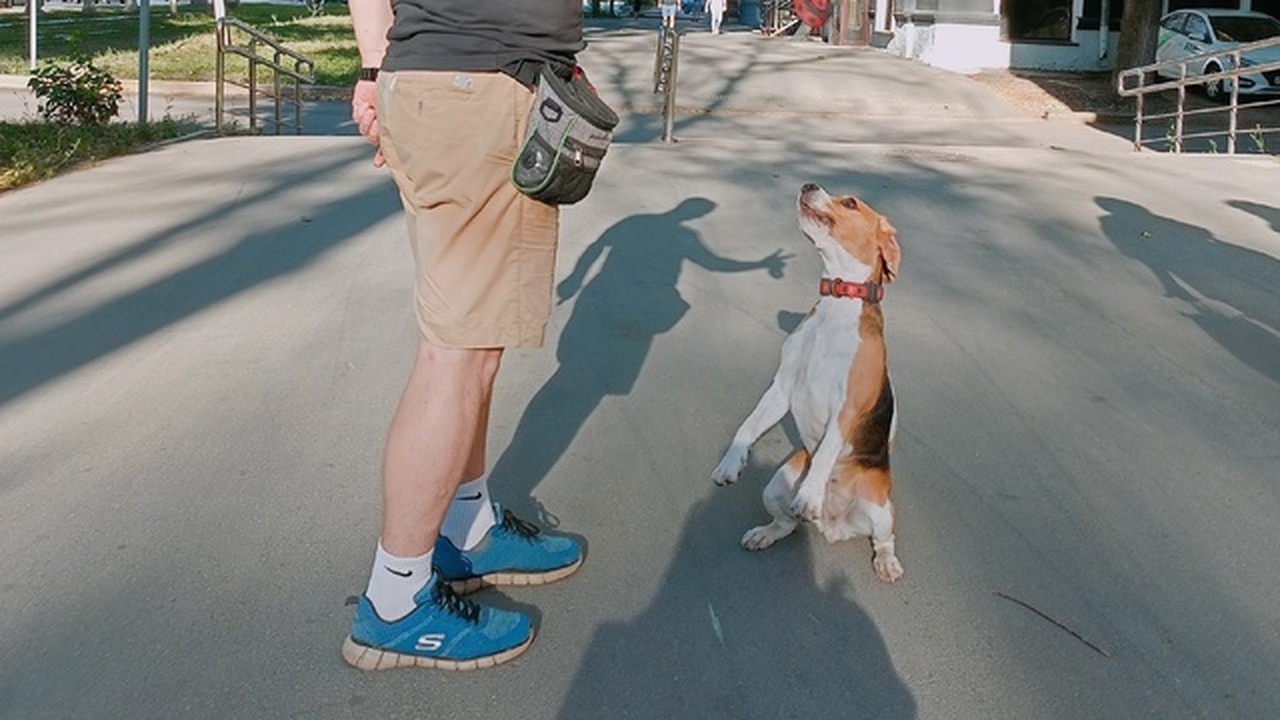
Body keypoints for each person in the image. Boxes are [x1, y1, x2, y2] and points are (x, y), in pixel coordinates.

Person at [343, 0, 587, 671]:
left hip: (457, 80)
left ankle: (467, 526)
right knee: (456, 355)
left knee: (472, 345)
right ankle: (394, 602)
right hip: (478, 85)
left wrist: (374, 67)